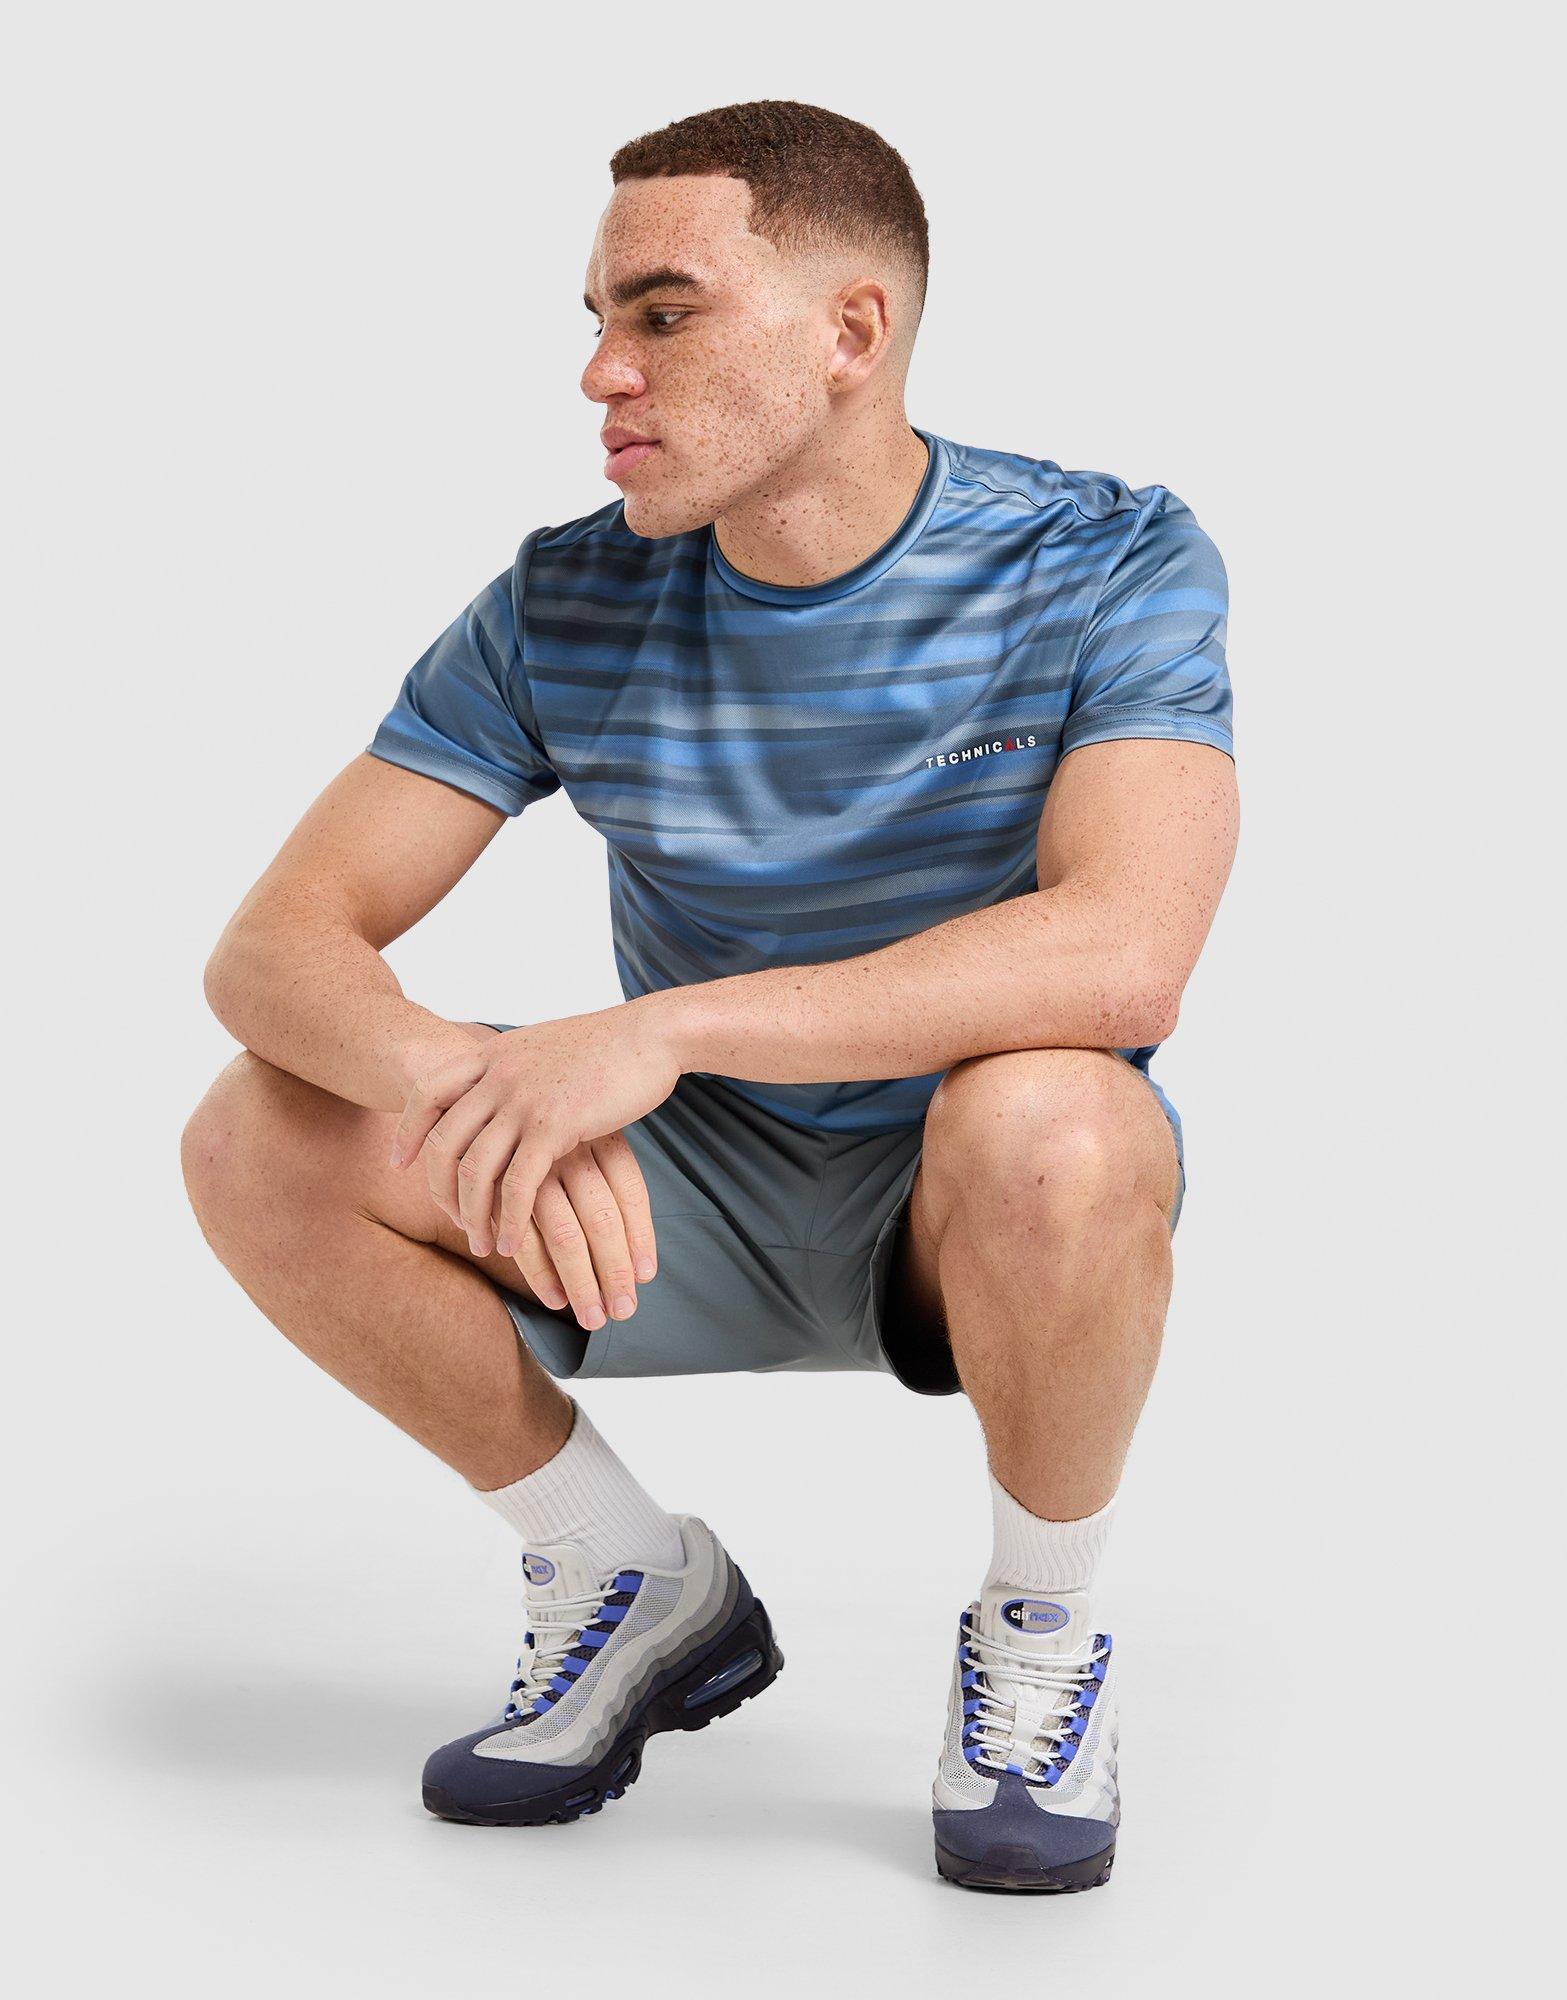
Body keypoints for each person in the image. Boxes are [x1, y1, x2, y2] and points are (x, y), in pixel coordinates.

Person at [182, 98, 1238, 1894]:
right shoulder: (564, 599)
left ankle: (1041, 1636)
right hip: (681, 1199)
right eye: (600, 320)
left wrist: (657, 1033)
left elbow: (1126, 948)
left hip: (976, 1201)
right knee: (261, 1131)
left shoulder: (1105, 555)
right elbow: (273, 948)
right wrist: (467, 1090)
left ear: (852, 334)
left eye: (663, 314)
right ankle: (626, 1574)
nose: (604, 371)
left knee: (1062, 1113)